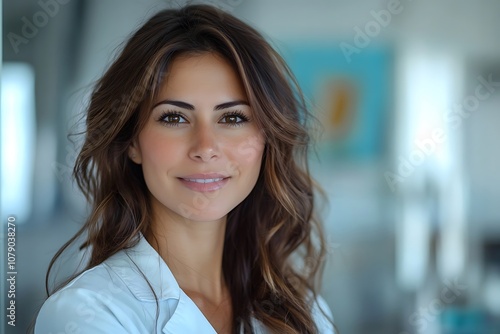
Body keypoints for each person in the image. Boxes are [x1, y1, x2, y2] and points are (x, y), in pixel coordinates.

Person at [35, 4, 335, 333]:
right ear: (132, 141)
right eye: (174, 117)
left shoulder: (304, 311)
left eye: (233, 118)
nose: (205, 148)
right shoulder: (85, 314)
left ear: (267, 139)